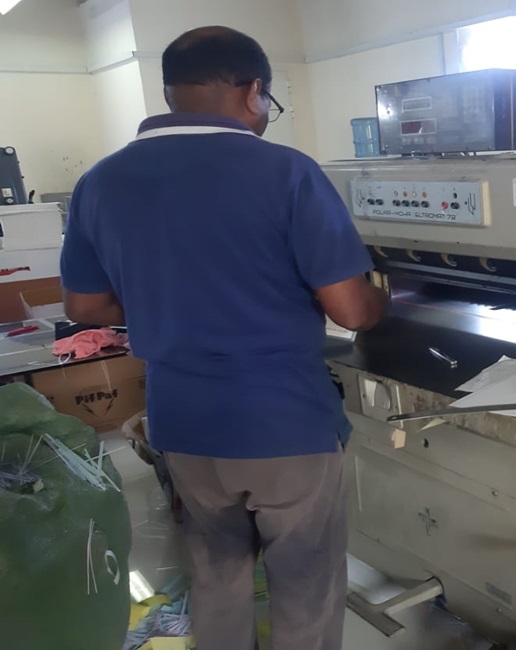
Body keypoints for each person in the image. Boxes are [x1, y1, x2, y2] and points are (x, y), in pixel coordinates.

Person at [60, 26, 388, 650]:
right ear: (254, 90)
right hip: (283, 423)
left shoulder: (100, 181)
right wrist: (384, 297)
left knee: (217, 578)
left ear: (171, 91)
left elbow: (84, 306)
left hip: (182, 422)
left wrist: (165, 296)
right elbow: (349, 311)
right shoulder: (286, 171)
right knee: (306, 586)